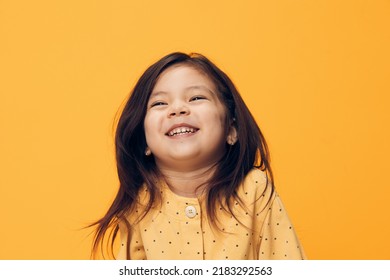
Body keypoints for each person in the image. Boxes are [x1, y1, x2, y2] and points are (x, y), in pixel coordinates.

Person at [91, 52, 306, 260]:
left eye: (196, 97)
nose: (177, 109)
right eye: (159, 103)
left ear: (232, 130)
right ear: (144, 141)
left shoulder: (254, 189)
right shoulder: (139, 203)